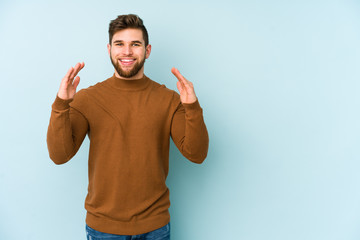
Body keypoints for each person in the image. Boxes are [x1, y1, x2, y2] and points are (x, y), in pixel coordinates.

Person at [47, 14, 209, 240]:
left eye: (135, 44)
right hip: (103, 228)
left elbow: (197, 154)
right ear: (109, 49)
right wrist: (61, 103)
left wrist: (191, 107)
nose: (127, 52)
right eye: (119, 44)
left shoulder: (169, 99)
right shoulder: (88, 98)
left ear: (147, 50)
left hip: (155, 227)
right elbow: (59, 155)